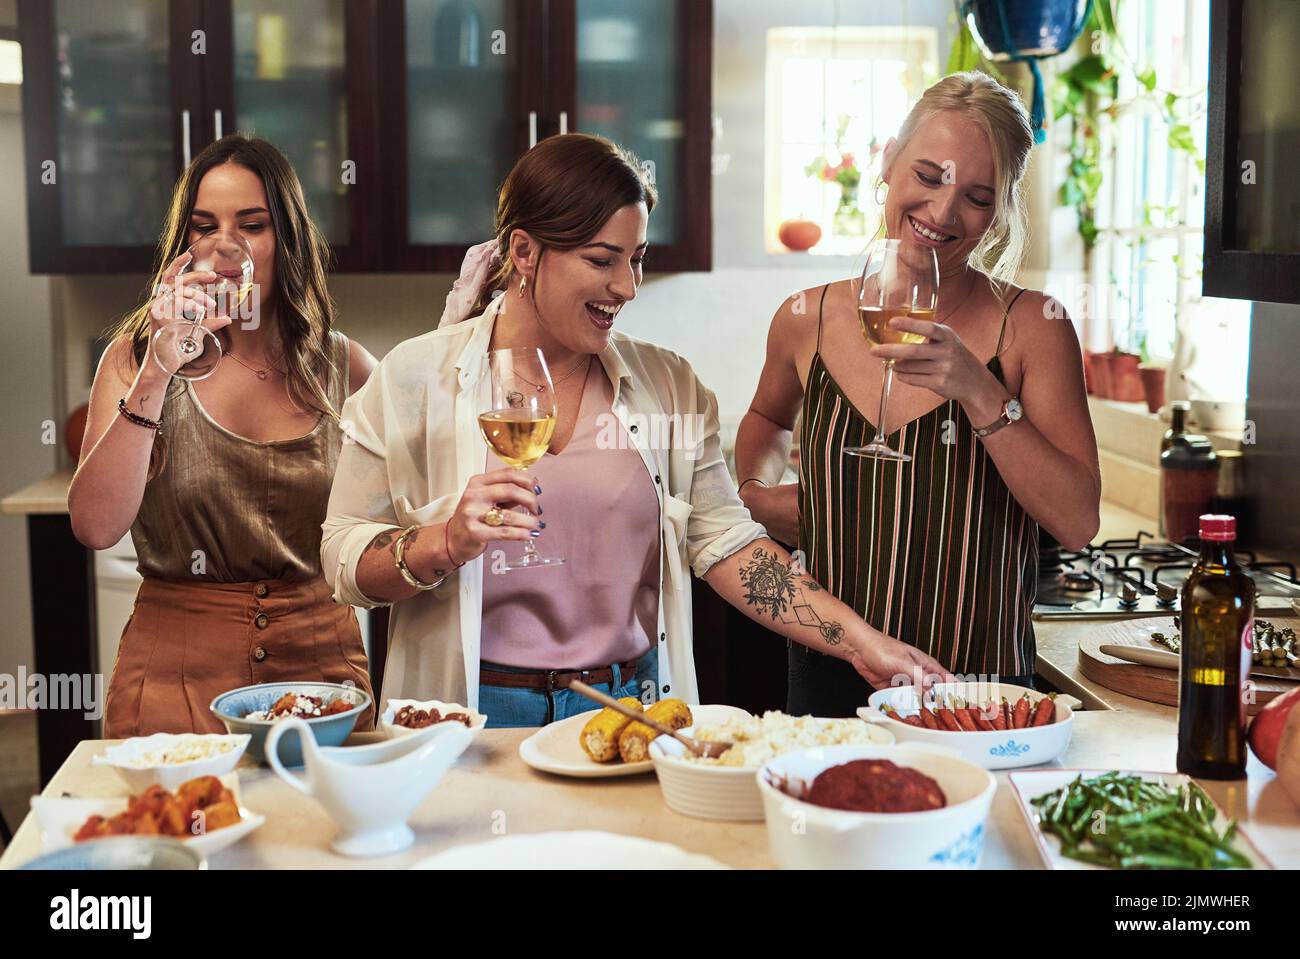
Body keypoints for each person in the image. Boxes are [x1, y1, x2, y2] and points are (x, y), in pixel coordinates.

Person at [322, 133, 949, 727]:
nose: (627, 287)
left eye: (637, 259)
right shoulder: (414, 378)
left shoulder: (667, 385)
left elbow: (729, 545)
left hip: (633, 709)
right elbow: (342, 557)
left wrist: (864, 644)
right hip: (471, 713)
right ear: (523, 252)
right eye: (602, 260)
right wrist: (443, 544)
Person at [736, 73, 1101, 717]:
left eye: (977, 197)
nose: (942, 213)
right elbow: (768, 418)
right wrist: (757, 494)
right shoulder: (806, 318)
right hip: (829, 675)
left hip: (978, 687)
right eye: (928, 177)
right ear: (888, 161)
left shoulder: (1034, 329)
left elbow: (1076, 522)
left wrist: (979, 391)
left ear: (1000, 211)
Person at [70, 135, 379, 736]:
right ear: (183, 246)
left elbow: (405, 516)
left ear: (285, 239)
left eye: (253, 225)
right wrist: (161, 368)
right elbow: (95, 526)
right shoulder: (134, 360)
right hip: (173, 679)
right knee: (179, 829)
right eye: (203, 226)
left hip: (321, 683)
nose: (226, 247)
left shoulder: (348, 369)